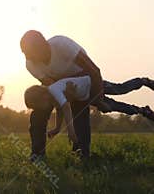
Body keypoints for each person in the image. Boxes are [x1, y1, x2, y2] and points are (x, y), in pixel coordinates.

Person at [20, 30, 109, 158]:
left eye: (29, 53)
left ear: (42, 46)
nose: (28, 58)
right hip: (57, 83)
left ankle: (81, 152)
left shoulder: (62, 44)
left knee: (79, 110)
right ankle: (37, 154)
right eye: (25, 54)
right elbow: (53, 89)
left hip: (81, 77)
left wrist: (99, 100)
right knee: (39, 111)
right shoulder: (31, 64)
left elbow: (94, 70)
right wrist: (58, 125)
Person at [24, 76, 154, 143]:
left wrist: (71, 131)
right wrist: (57, 129)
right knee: (116, 107)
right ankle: (143, 111)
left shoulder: (54, 89)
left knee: (120, 89)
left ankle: (144, 81)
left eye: (38, 106)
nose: (41, 109)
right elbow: (60, 111)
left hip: (95, 84)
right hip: (90, 96)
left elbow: (66, 107)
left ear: (41, 97)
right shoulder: (53, 98)